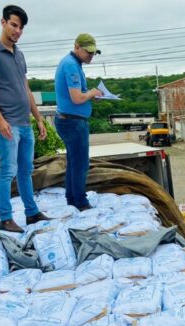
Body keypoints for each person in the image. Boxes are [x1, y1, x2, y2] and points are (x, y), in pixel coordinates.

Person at [0, 5, 50, 233]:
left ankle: (31, 213)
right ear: (3, 22)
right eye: (14, 25)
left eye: (20, 28)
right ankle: (6, 218)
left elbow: (25, 88)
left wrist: (38, 118)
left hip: (25, 123)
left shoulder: (19, 54)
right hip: (7, 122)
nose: (17, 31)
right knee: (7, 171)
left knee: (25, 170)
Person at [54, 33, 104, 211]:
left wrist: (91, 95)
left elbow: (76, 95)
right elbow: (76, 98)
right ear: (77, 47)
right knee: (80, 163)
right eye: (88, 52)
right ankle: (81, 202)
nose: (90, 56)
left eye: (93, 53)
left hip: (69, 119)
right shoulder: (71, 65)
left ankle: (71, 198)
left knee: (73, 162)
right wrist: (92, 92)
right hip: (72, 122)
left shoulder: (72, 63)